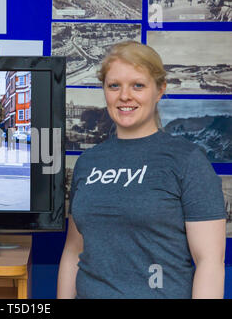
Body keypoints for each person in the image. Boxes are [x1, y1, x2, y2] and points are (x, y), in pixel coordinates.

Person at [57, 41, 226, 299]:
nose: (125, 96)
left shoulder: (188, 161)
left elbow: (210, 263)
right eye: (114, 85)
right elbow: (72, 252)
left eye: (138, 85)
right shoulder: (87, 163)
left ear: (159, 90)